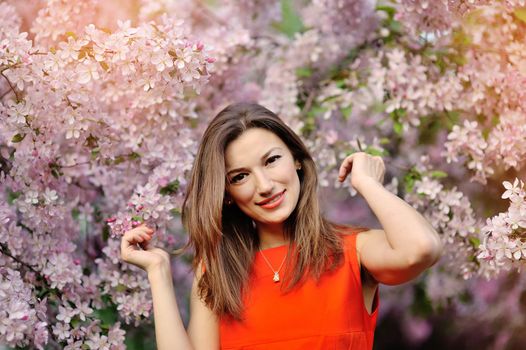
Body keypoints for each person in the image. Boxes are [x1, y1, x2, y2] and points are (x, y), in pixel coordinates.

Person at [120, 102, 443, 350]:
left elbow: (421, 248)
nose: (264, 185)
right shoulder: (217, 271)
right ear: (228, 194)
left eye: (272, 160)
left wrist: (368, 183)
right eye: (240, 176)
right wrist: (158, 272)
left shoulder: (353, 251)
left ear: (297, 159)